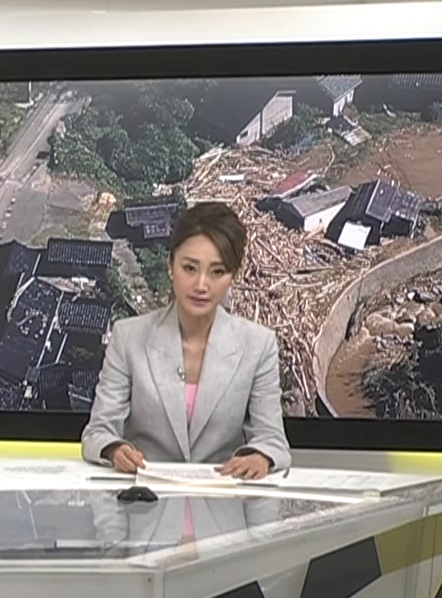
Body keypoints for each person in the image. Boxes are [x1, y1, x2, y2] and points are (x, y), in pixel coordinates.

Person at [81, 202, 291, 479]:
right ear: (171, 265)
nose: (201, 285)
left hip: (223, 498)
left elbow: (273, 440)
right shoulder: (128, 337)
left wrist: (261, 457)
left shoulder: (259, 345)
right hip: (145, 496)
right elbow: (97, 432)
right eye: (190, 268)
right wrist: (114, 449)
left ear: (233, 275)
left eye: (217, 272)